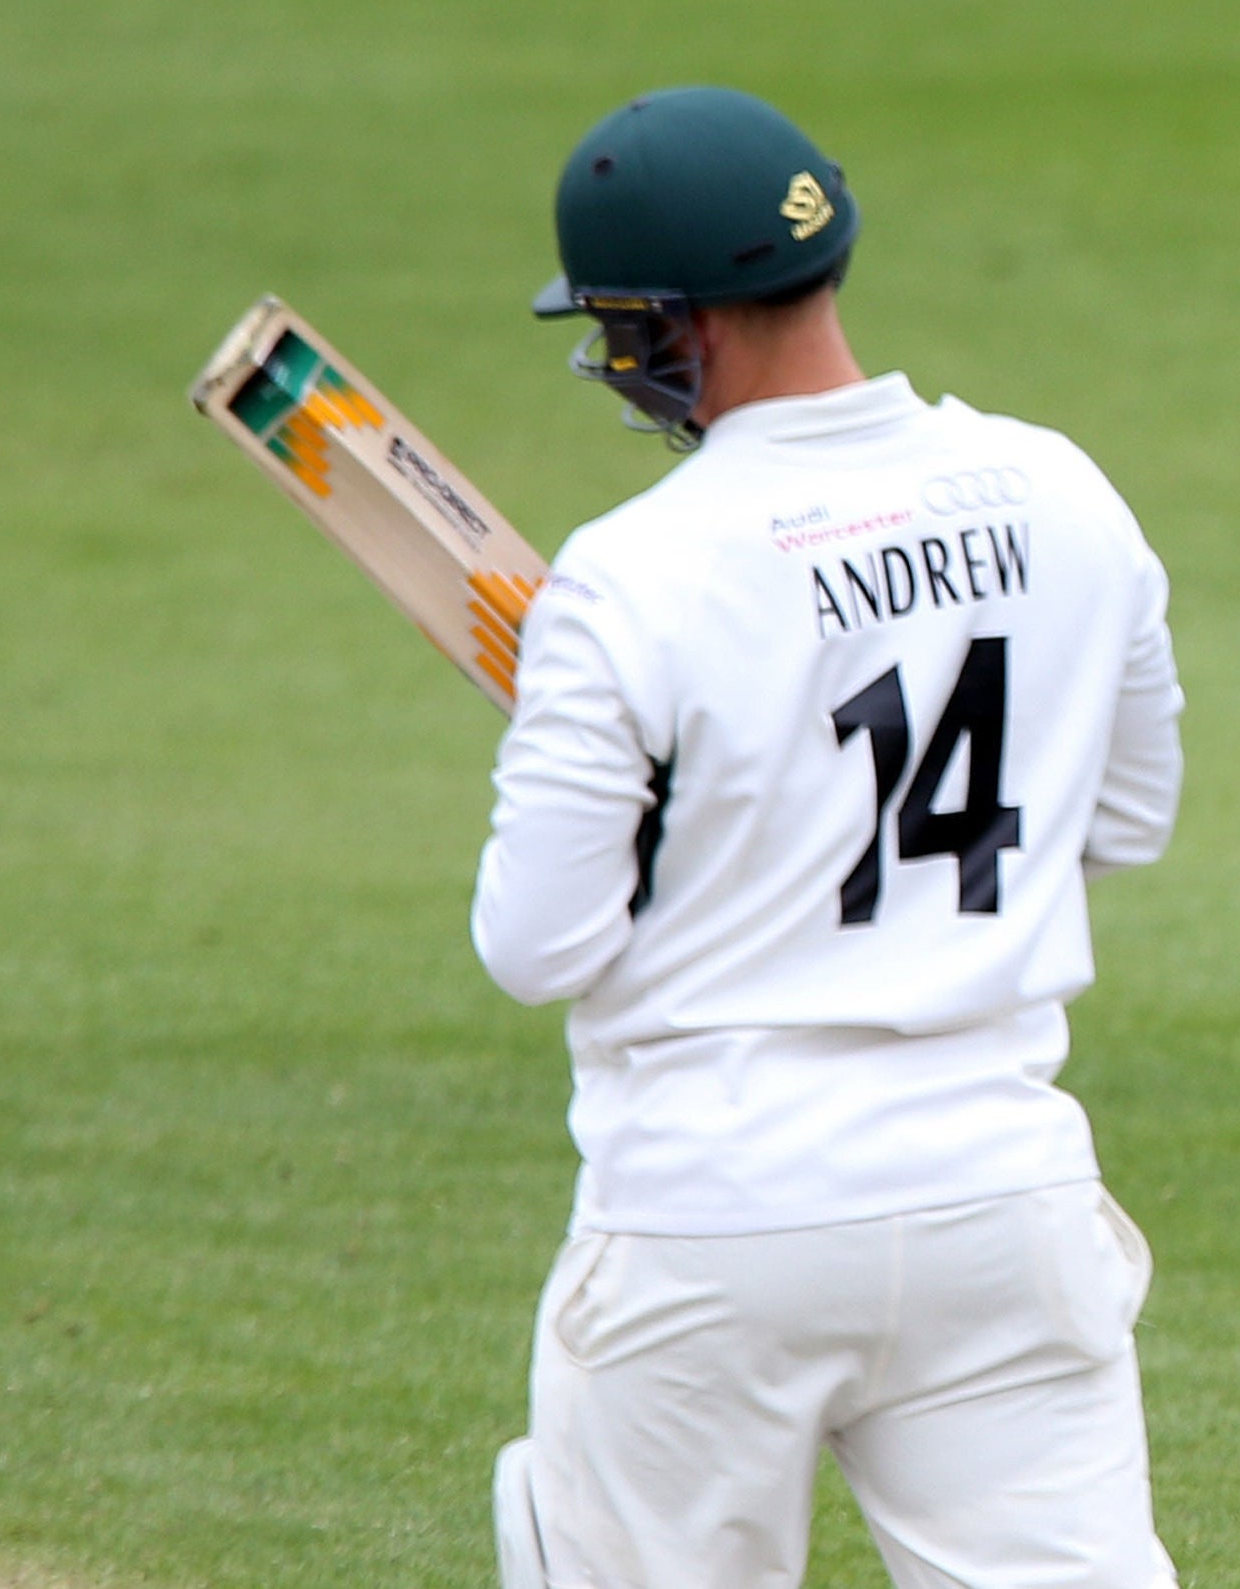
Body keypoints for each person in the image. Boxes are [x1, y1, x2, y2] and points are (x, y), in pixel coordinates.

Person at [471, 85, 1186, 1589]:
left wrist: (686, 834)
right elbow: (1122, 819)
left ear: (682, 325)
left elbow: (537, 946)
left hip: (711, 1219)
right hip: (1002, 1196)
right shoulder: (1060, 488)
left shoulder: (631, 575)